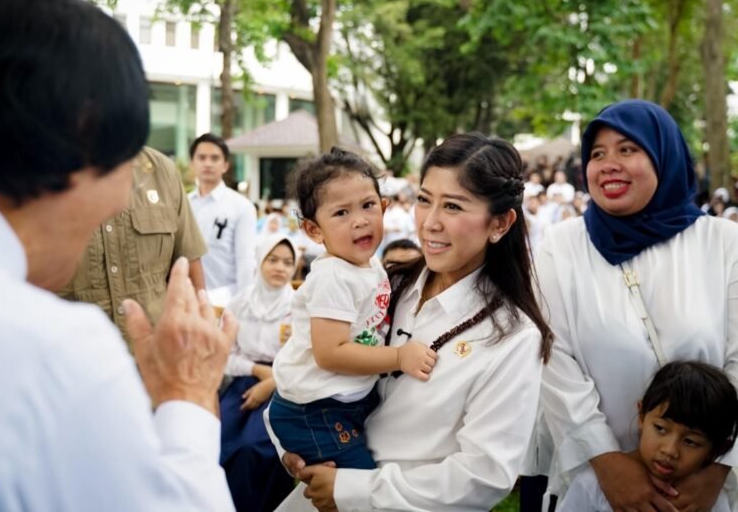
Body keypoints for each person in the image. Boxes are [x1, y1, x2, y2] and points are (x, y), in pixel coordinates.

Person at [0, 0, 236, 511]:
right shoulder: (53, 352)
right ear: (85, 131)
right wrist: (187, 396)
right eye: (120, 165)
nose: (120, 203)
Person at [275, 133, 553, 511]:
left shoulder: (513, 337)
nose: (430, 223)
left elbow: (483, 475)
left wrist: (354, 489)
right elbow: (307, 366)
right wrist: (295, 447)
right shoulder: (386, 283)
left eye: (453, 206)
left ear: (500, 223)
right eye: (424, 200)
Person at [536, 99, 738, 511]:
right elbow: (552, 359)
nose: (609, 164)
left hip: (701, 488)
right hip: (597, 483)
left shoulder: (724, 243)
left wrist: (718, 471)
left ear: (665, 156)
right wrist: (608, 463)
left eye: (628, 149)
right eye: (597, 153)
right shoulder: (562, 245)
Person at [267, 148, 438, 470]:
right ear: (313, 230)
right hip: (315, 410)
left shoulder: (367, 264)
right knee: (356, 484)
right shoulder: (334, 276)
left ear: (384, 208)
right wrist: (400, 357)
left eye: (368, 205)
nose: (359, 220)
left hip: (344, 399)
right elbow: (330, 353)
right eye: (341, 213)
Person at [58, 145, 207, 340]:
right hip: (74, 353)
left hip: (157, 351)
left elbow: (189, 267)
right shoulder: (45, 171)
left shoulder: (161, 170)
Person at [558, 361, 738, 512]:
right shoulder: (593, 486)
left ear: (716, 450)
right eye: (660, 429)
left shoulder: (707, 500)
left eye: (690, 441)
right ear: (642, 416)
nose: (669, 450)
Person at [219, 233, 299, 512]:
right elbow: (225, 354)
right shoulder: (240, 303)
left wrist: (273, 380)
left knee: (254, 448)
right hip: (241, 382)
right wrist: (258, 371)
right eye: (273, 260)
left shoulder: (299, 306)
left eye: (288, 263)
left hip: (286, 388)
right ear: (259, 261)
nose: (280, 268)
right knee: (219, 439)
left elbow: (305, 358)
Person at [189, 133, 258, 296]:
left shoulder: (242, 207)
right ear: (192, 163)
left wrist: (243, 303)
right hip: (188, 298)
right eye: (202, 158)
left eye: (214, 158)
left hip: (227, 297)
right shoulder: (183, 204)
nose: (208, 163)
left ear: (225, 165)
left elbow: (245, 260)